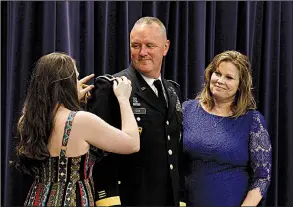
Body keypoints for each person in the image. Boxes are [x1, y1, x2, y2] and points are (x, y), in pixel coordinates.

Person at [15, 52, 140, 206]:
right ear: (67, 83)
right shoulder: (81, 121)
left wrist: (71, 99)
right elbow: (132, 143)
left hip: (36, 199)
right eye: (76, 77)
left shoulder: (27, 120)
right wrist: (123, 99)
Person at [88, 17, 186, 206]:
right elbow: (100, 153)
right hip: (129, 199)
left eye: (150, 45)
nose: (142, 52)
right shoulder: (111, 87)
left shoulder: (173, 90)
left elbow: (174, 149)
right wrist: (108, 200)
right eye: (135, 45)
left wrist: (180, 198)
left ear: (165, 47)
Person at [182, 50, 272, 206]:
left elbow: (262, 177)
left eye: (229, 77)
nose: (220, 80)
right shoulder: (186, 110)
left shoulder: (252, 120)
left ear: (240, 85)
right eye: (217, 73)